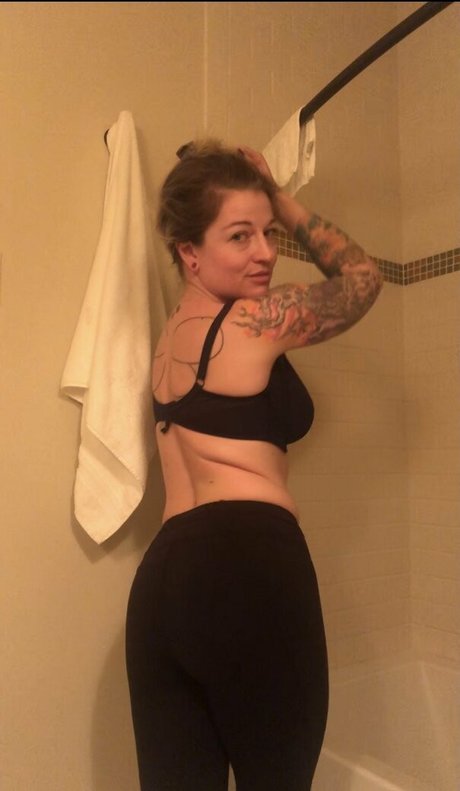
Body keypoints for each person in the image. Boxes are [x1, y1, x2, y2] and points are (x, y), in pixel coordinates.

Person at [125, 139, 383, 791]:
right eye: (240, 235)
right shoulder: (251, 321)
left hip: (161, 589)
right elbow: (361, 278)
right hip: (249, 572)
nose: (266, 251)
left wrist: (255, 207)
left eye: (269, 232)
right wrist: (282, 199)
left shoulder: (167, 345)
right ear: (190, 252)